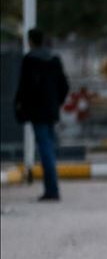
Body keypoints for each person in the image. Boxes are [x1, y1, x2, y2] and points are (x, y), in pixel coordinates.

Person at [13, 28, 70, 201]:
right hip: (51, 110)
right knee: (49, 146)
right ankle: (51, 188)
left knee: (45, 148)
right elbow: (64, 86)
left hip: (37, 111)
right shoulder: (54, 58)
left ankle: (52, 190)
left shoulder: (30, 60)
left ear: (30, 41)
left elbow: (24, 88)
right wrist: (56, 102)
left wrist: (19, 106)